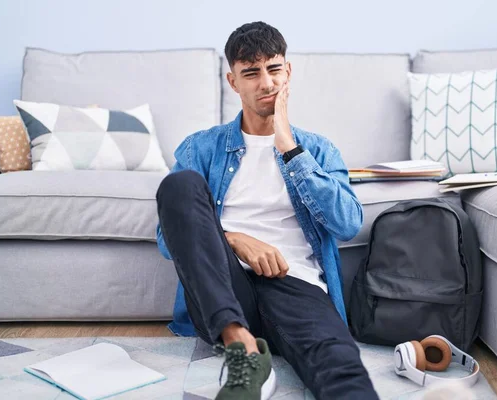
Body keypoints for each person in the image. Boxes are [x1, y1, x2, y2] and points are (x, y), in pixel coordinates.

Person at [155, 21, 378, 400]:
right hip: (223, 288)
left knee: (341, 366)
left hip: (296, 282)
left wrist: (289, 146)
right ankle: (242, 346)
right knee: (179, 186)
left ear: (287, 72)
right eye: (251, 73)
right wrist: (234, 240)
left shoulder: (318, 150)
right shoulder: (200, 149)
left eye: (274, 69)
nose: (266, 83)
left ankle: (251, 354)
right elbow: (169, 238)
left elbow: (348, 224)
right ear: (233, 81)